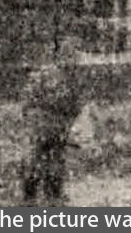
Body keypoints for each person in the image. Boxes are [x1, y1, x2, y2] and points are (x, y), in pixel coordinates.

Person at [19, 39, 83, 207]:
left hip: (56, 128)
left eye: (75, 55)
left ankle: (51, 196)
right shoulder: (46, 75)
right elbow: (28, 102)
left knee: (54, 164)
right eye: (69, 55)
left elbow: (76, 106)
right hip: (42, 127)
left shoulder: (72, 79)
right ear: (60, 56)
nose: (73, 60)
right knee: (36, 162)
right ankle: (32, 197)